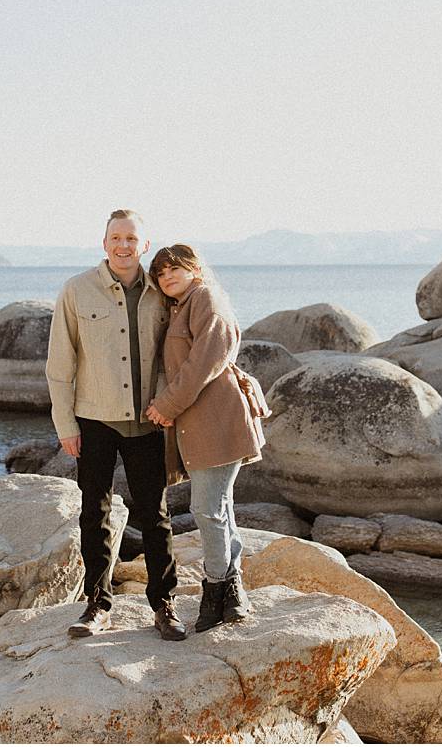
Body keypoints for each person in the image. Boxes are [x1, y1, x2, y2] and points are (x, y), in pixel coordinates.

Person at [45, 209, 185, 641]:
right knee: (95, 514)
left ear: (144, 245)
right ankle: (97, 605)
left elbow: (187, 346)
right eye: (116, 238)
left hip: (148, 421)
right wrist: (65, 423)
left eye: (132, 238)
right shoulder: (76, 290)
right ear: (103, 243)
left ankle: (164, 604)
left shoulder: (163, 292)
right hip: (94, 421)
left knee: (155, 517)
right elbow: (59, 364)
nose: (123, 245)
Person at [145, 244, 265, 632]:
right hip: (202, 422)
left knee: (207, 510)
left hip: (218, 419)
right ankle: (232, 592)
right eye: (160, 274)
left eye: (174, 269)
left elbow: (204, 362)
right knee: (220, 507)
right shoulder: (183, 305)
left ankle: (217, 587)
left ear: (195, 269)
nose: (167, 277)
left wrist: (166, 404)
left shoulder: (207, 299)